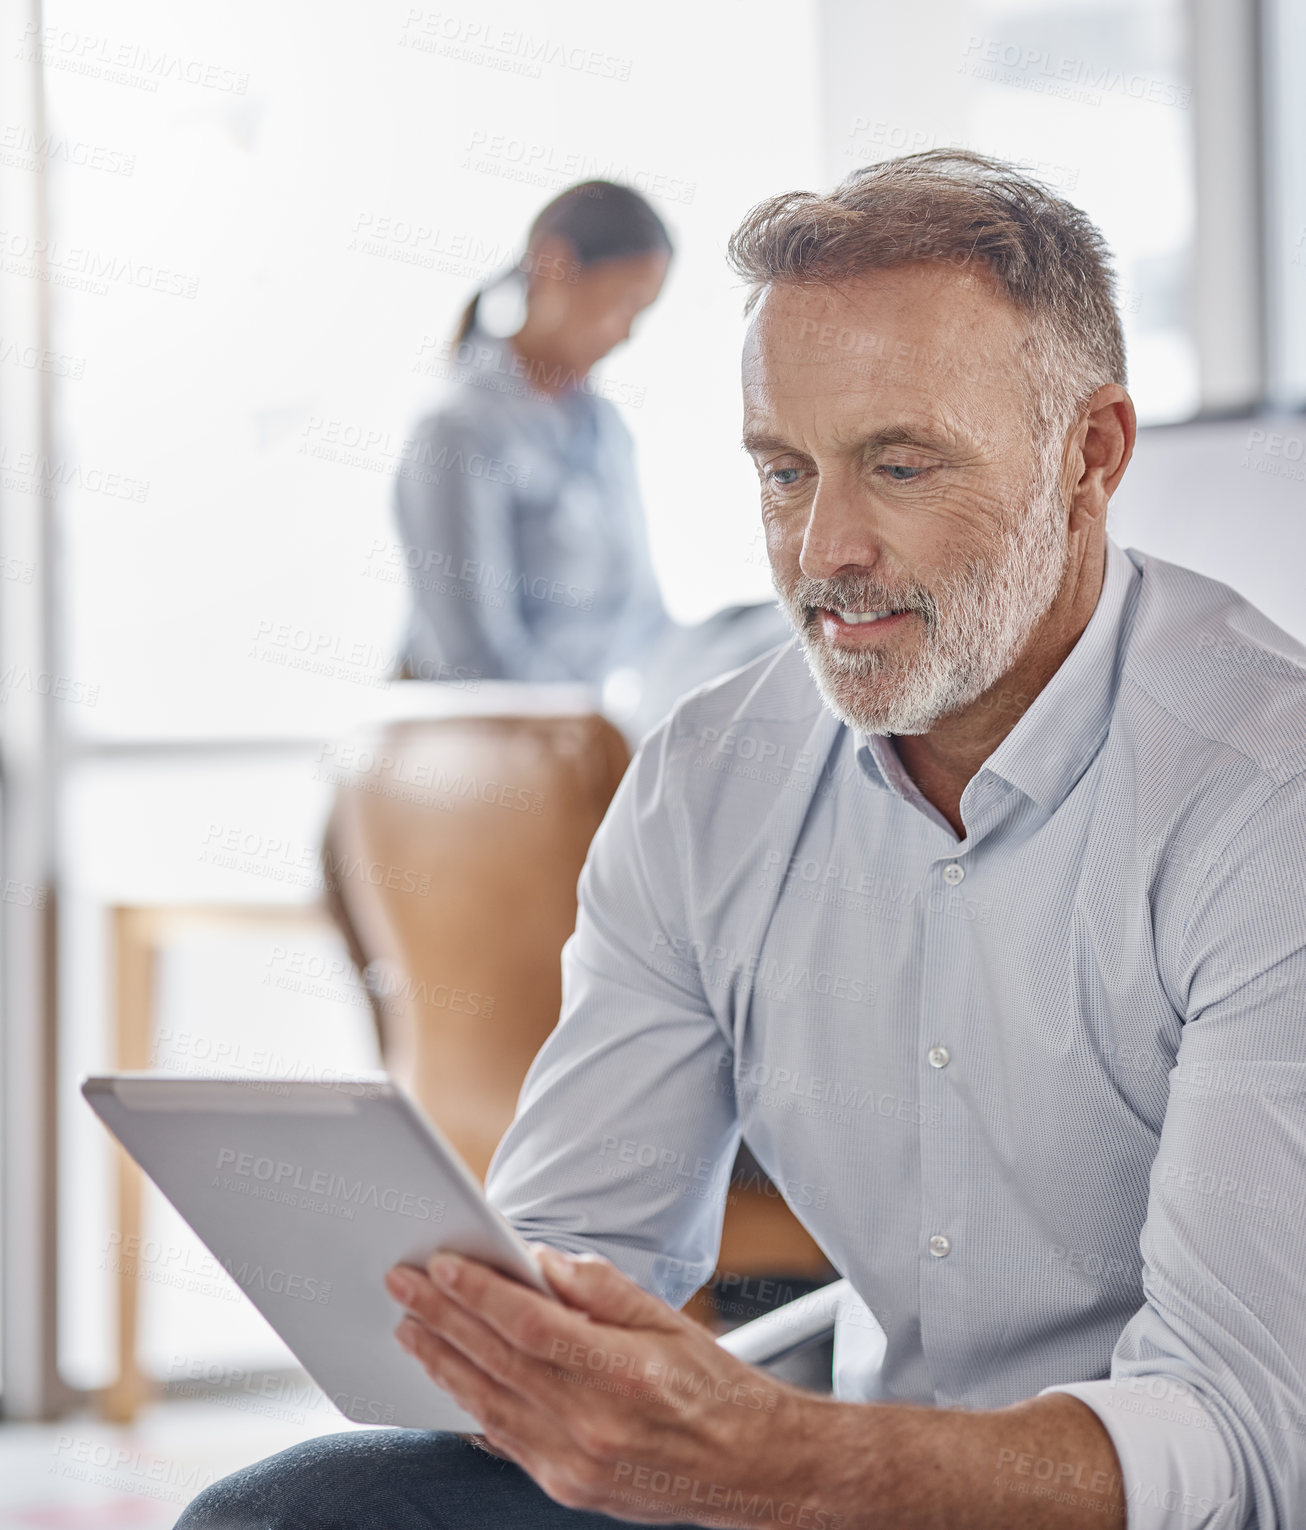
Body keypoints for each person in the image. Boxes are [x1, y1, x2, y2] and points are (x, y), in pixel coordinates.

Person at [177, 150, 1306, 1528]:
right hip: (843, 1467)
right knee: (293, 1512)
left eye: (898, 465)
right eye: (781, 472)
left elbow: (1240, 1445)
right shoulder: (710, 774)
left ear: (1091, 454)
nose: (824, 548)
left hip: (1134, 1498)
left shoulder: (1262, 796)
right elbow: (585, 1241)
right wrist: (518, 1330)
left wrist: (786, 1455)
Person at [394, 180, 673, 687]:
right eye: (625, 305)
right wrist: (592, 731)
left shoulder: (606, 428)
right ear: (554, 265)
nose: (627, 333)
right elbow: (474, 657)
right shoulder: (457, 433)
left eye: (643, 315)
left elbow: (644, 613)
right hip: (498, 740)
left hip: (595, 732)